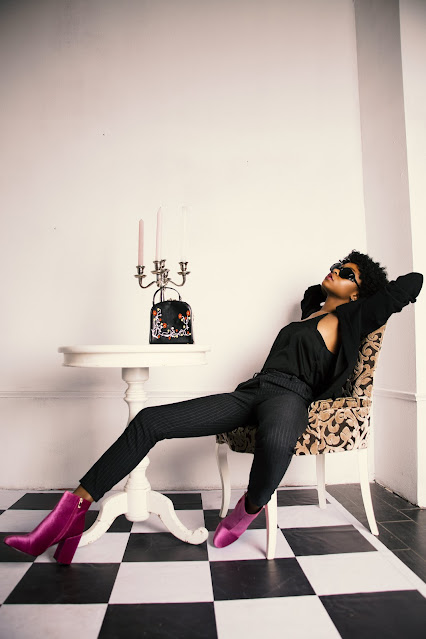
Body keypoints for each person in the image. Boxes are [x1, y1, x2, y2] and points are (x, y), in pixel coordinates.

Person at [5, 250, 423, 563]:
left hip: (291, 396)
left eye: (347, 273)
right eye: (337, 266)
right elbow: (312, 293)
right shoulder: (309, 314)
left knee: (276, 441)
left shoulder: (354, 318)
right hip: (252, 391)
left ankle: (248, 509)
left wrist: (364, 296)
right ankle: (71, 513)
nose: (336, 271)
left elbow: (412, 282)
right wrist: (334, 287)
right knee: (150, 420)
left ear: (359, 293)